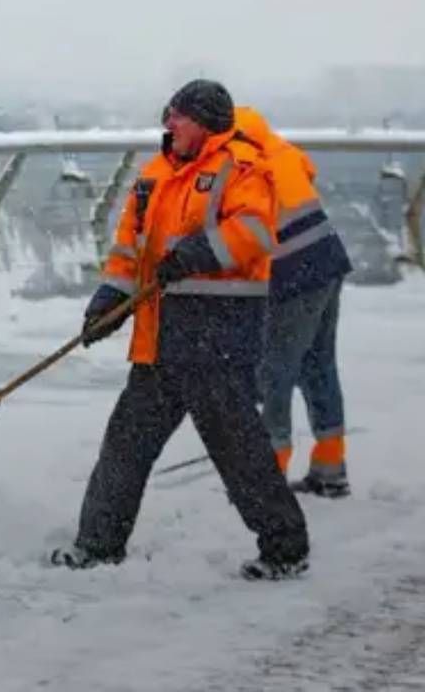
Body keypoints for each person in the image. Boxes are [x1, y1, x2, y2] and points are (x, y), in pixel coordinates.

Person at [53, 79, 310, 580]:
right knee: (126, 441)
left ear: (206, 121)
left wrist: (197, 254)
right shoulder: (154, 177)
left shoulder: (241, 166)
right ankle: (98, 545)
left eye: (179, 116)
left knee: (237, 449)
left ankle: (285, 549)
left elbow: (255, 231)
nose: (169, 123)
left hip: (218, 338)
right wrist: (111, 299)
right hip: (161, 338)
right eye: (168, 114)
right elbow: (130, 250)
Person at [234, 105, 355, 497]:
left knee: (273, 372)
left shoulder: (242, 163)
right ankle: (330, 465)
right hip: (327, 261)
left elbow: (240, 232)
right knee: (318, 365)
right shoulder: (280, 149)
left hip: (294, 277)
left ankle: (268, 475)